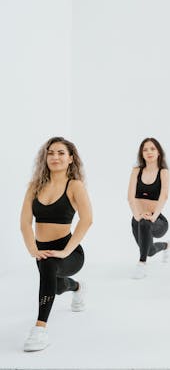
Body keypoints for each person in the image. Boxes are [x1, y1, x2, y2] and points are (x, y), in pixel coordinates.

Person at [20, 137, 93, 352]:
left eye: (61, 153)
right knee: (57, 286)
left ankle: (40, 329)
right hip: (42, 252)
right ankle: (77, 287)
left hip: (69, 252)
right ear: (45, 157)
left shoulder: (75, 185)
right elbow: (25, 222)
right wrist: (33, 249)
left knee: (51, 268)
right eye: (51, 153)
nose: (55, 157)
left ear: (71, 159)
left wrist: (66, 250)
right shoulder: (35, 186)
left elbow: (87, 219)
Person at [127, 137, 170, 279]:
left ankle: (142, 265)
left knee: (146, 224)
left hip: (157, 220)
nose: (149, 152)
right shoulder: (136, 171)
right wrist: (136, 215)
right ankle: (166, 246)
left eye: (152, 149)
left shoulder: (163, 172)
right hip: (138, 218)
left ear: (158, 152)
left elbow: (164, 196)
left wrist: (153, 216)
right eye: (145, 149)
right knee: (149, 251)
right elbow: (130, 196)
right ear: (141, 154)